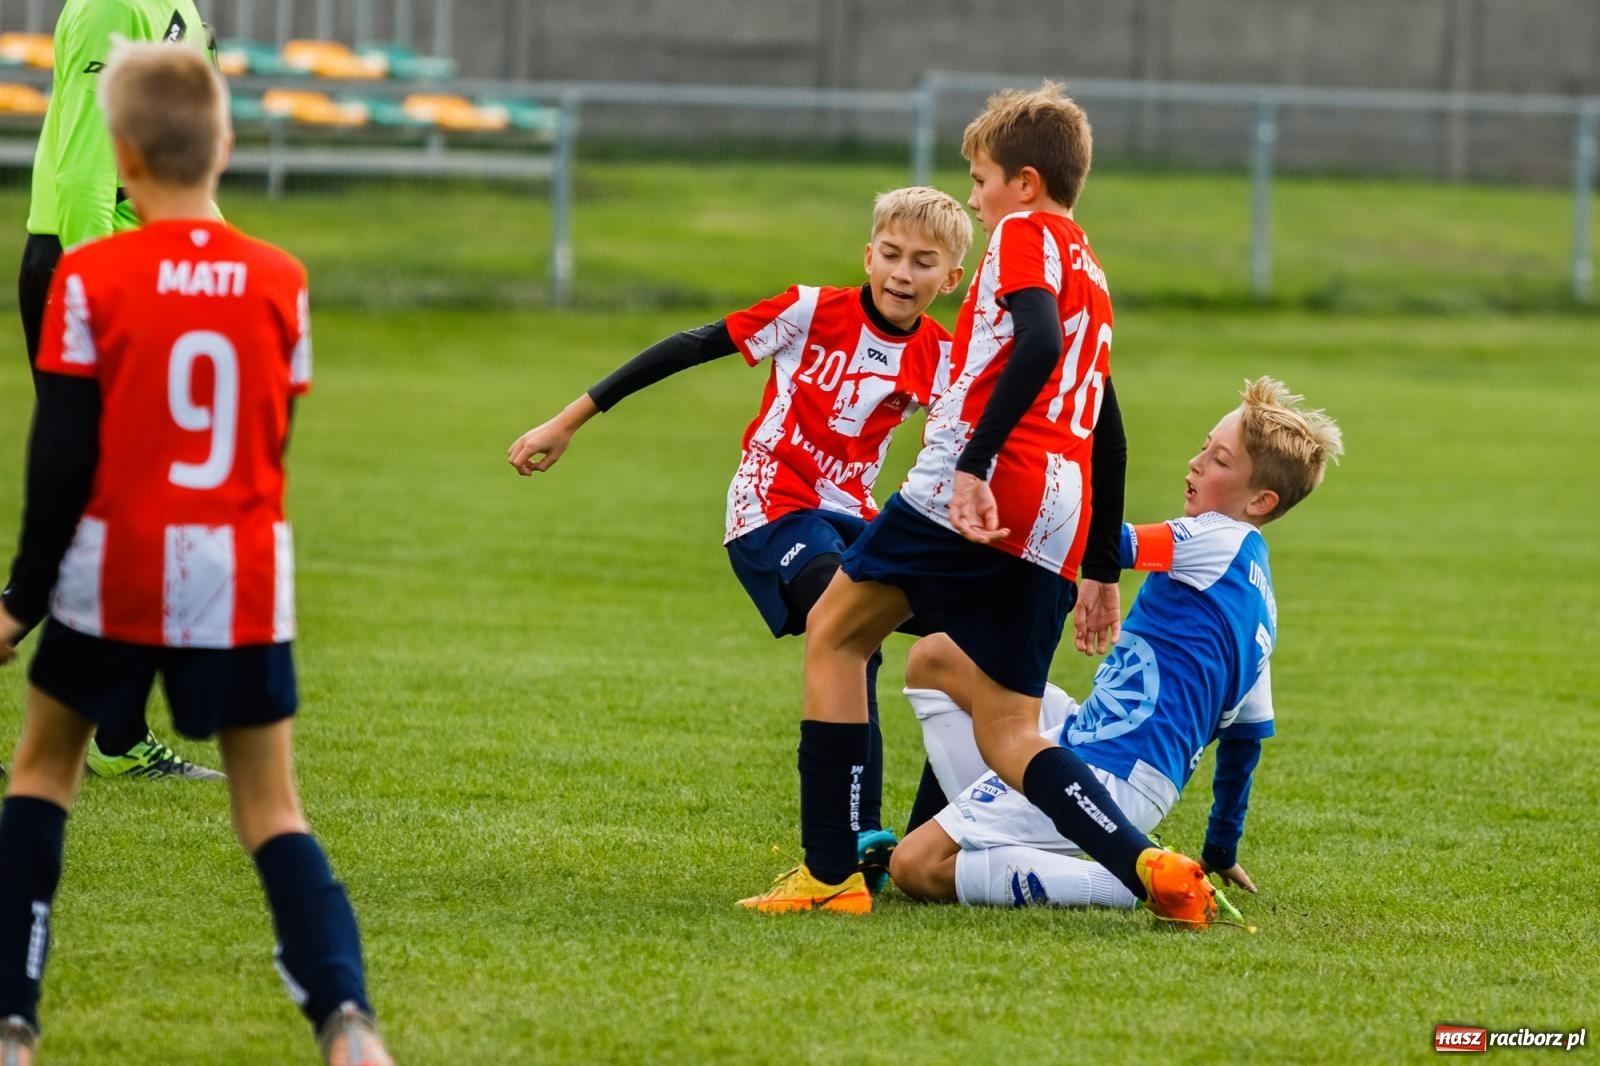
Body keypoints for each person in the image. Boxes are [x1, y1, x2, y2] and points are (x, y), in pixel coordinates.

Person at [0, 42, 392, 1066]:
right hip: (241, 570)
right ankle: (347, 1023)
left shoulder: (88, 277)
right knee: (270, 808)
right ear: (223, 145)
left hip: (113, 564)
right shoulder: (282, 281)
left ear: (120, 153)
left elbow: (61, 457)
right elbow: (268, 436)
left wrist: (19, 600)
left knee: (41, 778)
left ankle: (11, 1026)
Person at [738, 82, 1214, 925]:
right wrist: (1099, 562)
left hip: (995, 479)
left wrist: (974, 463)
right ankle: (1148, 867)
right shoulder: (1090, 270)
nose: (974, 194)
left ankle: (829, 874)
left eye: (981, 176)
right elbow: (1108, 424)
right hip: (1060, 504)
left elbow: (1034, 339)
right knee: (1009, 727)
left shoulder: (1024, 235)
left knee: (836, 633)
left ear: (1025, 183)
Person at [507, 186, 972, 890]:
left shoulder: (943, 356)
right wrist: (567, 420)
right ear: (867, 254)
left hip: (854, 513)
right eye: (891, 254)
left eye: (923, 262)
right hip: (773, 509)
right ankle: (852, 842)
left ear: (951, 278)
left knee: (975, 629)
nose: (903, 273)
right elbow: (690, 346)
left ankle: (921, 834)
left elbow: (979, 438)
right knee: (846, 627)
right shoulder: (810, 310)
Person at [888, 377, 1344, 915]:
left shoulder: (1217, 535)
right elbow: (1246, 739)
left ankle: (1132, 879)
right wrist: (1221, 847)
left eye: (1220, 460)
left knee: (915, 868)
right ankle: (975, 830)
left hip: (1110, 770)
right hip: (1100, 744)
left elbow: (1104, 542)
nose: (1197, 463)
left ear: (1260, 500)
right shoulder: (1259, 597)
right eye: (1204, 446)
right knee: (938, 658)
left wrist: (998, 493)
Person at [11, 0, 222, 781]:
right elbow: (83, 171)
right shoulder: (113, 1)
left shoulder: (180, 6)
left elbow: (174, 164)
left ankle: (116, 731)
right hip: (90, 278)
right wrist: (110, 294)